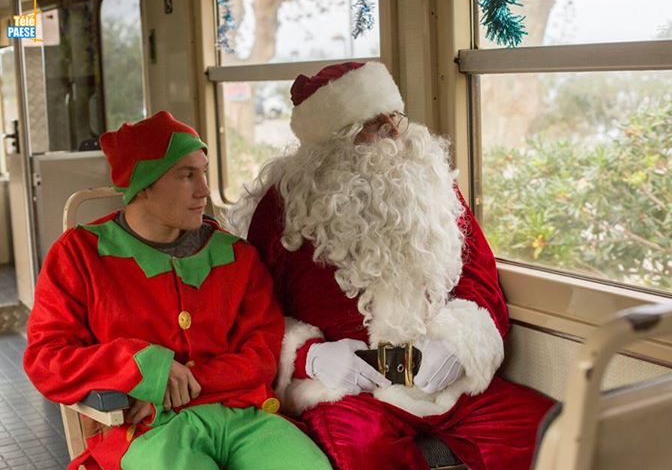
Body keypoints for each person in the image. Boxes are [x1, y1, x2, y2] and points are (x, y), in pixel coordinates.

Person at [229, 62, 555, 470]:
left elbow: (478, 275)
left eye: (394, 117)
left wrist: (458, 344)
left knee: (551, 430)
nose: (395, 132)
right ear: (335, 142)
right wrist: (308, 357)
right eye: (375, 124)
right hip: (345, 388)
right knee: (363, 450)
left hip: (442, 378)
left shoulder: (432, 183)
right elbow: (252, 310)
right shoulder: (281, 208)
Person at [23, 111, 331, 470]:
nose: (204, 189)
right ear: (144, 186)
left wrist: (191, 381)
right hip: (145, 429)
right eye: (187, 175)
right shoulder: (79, 255)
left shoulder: (237, 255)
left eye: (204, 172)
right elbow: (46, 360)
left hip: (243, 416)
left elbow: (261, 355)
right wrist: (142, 366)